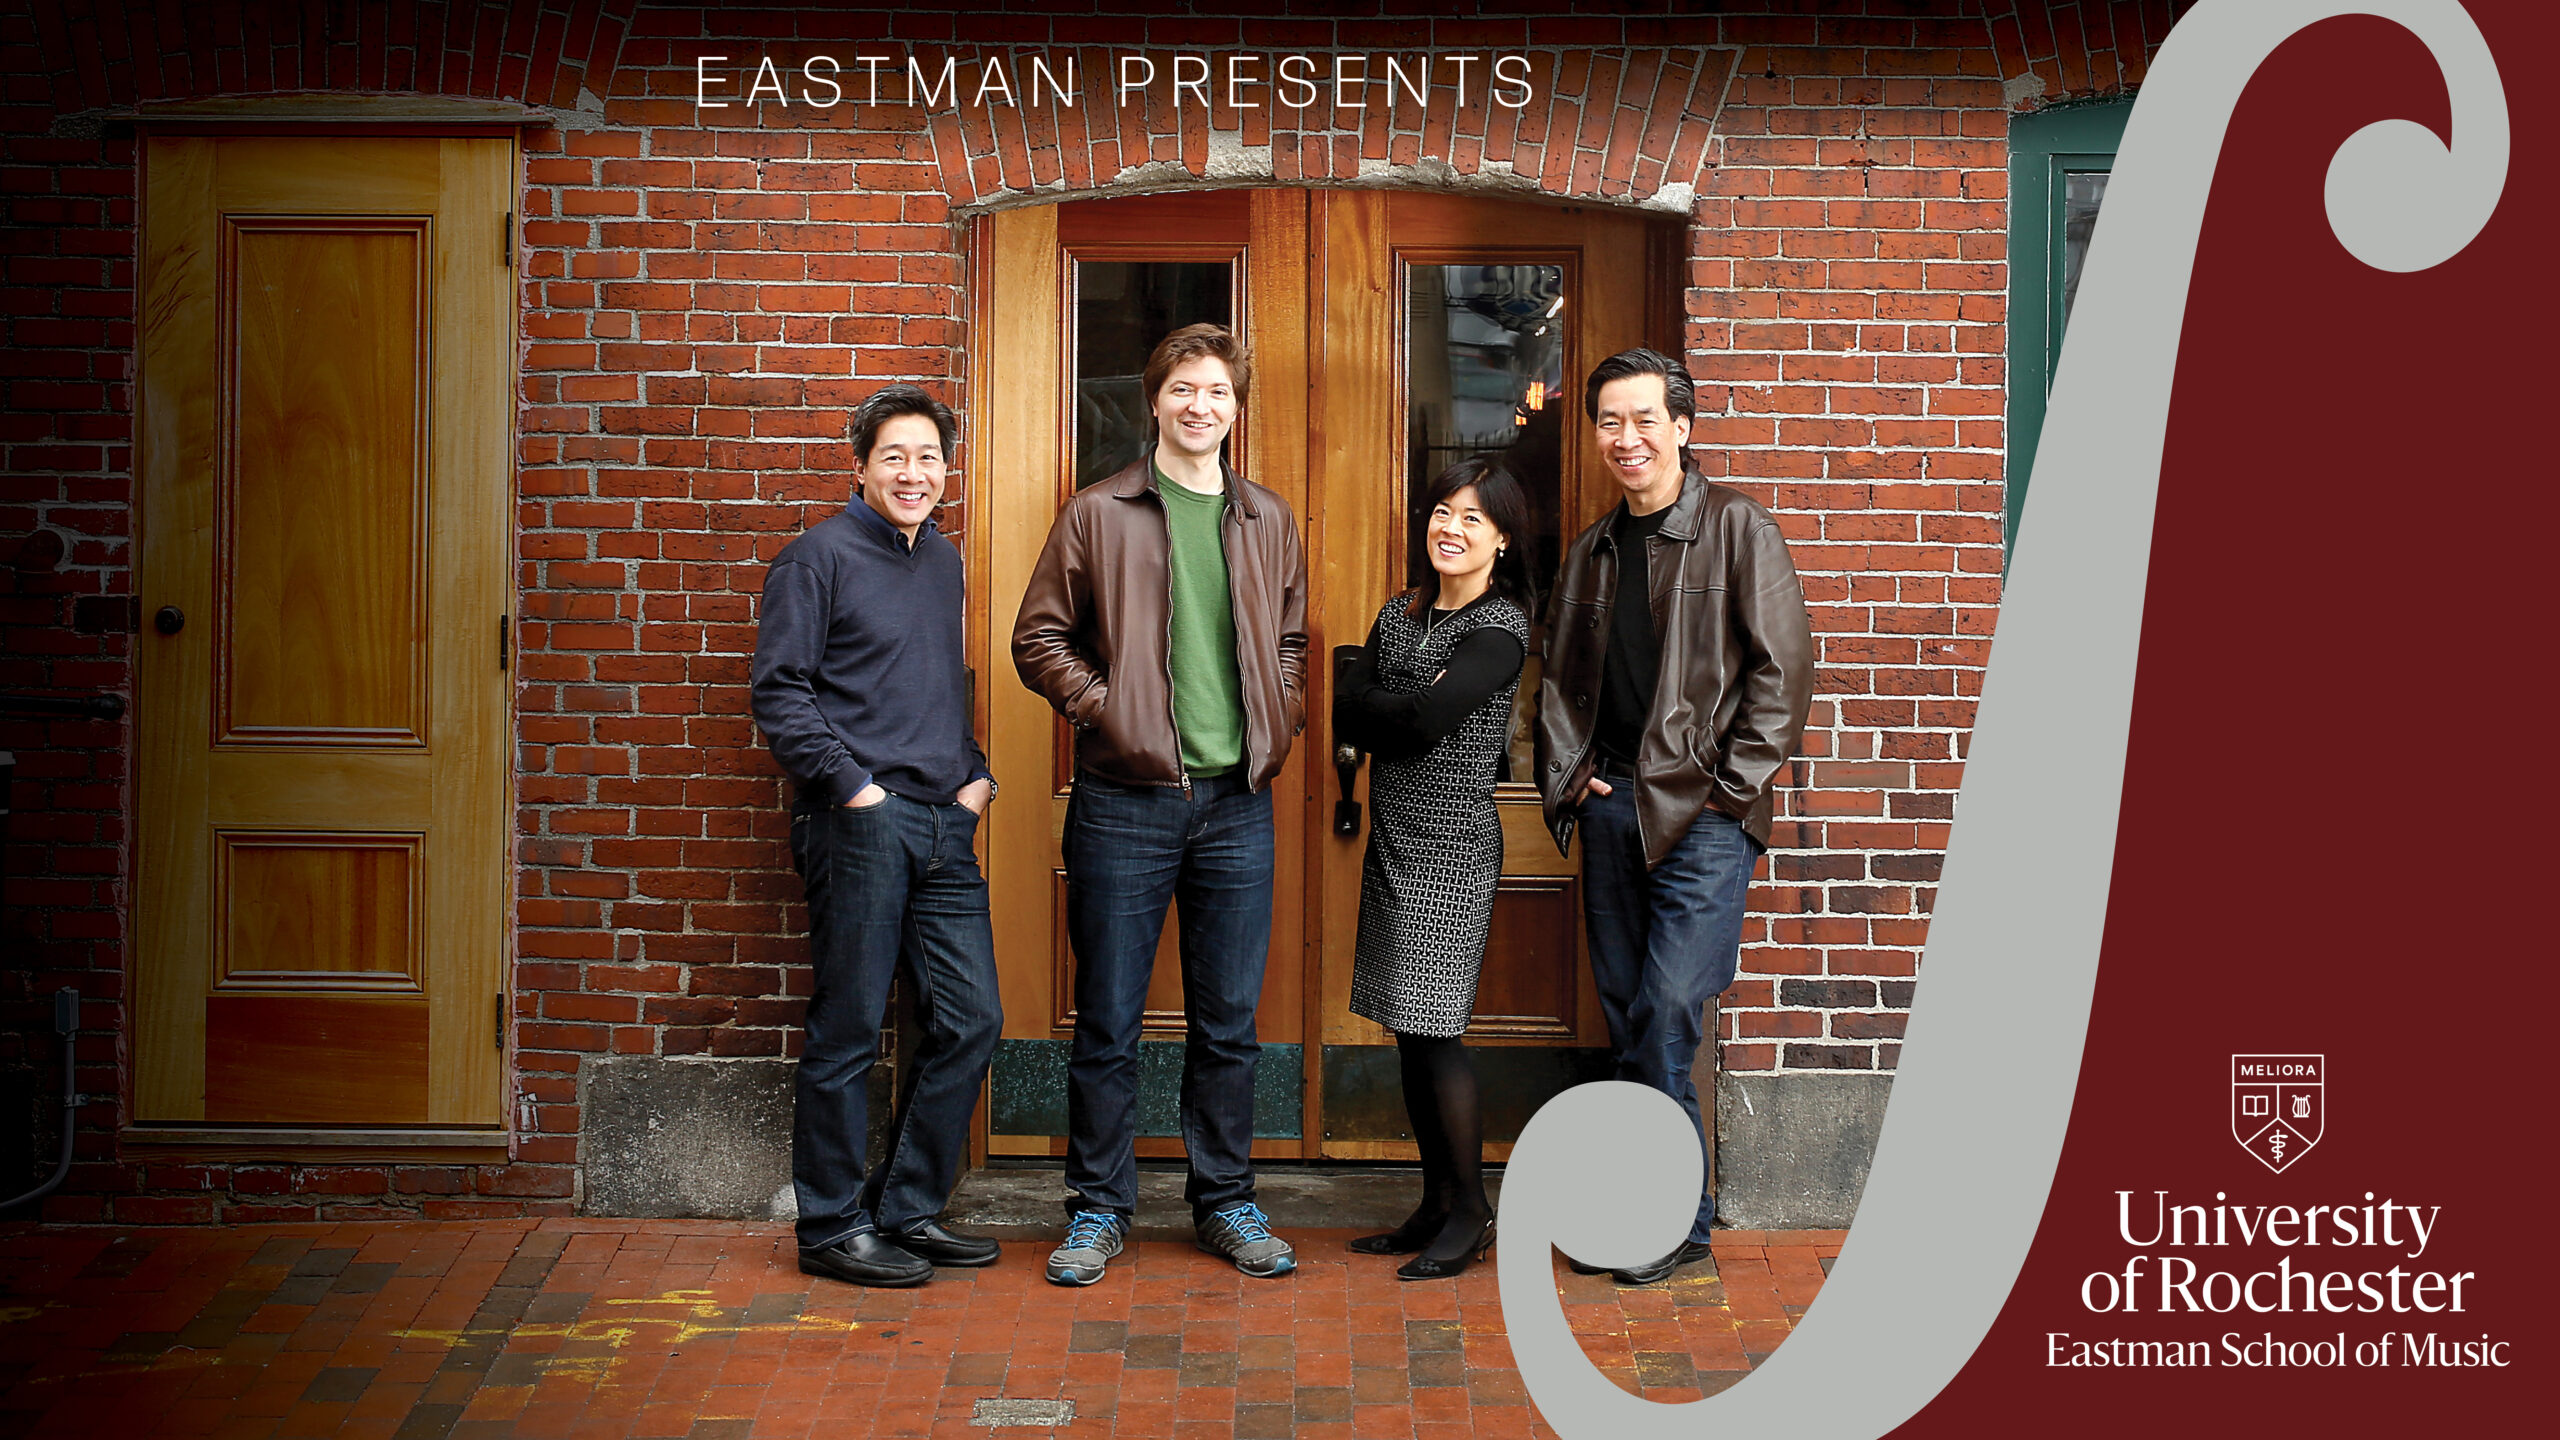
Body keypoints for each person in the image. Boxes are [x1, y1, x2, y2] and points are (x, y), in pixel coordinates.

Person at [1012, 323, 1310, 1285]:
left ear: (1234, 408)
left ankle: (1224, 1200)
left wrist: (1284, 710)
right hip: (1123, 803)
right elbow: (1039, 637)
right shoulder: (1099, 512)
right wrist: (1114, 714)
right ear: (1155, 400)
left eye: (1217, 391)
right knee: (1107, 1020)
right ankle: (1098, 1209)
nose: (1199, 406)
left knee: (1229, 1022)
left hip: (1236, 804)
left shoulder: (1266, 516)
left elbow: (1293, 641)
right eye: (1184, 388)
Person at [1533, 348, 1814, 1284]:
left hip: (1704, 819)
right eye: (1610, 421)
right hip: (1615, 810)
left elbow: (1782, 676)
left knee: (1667, 1007)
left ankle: (1674, 1220)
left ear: (1683, 429)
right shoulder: (1591, 549)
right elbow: (1559, 682)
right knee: (1626, 1014)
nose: (1628, 438)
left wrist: (1729, 796)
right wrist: (1571, 781)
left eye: (1646, 418)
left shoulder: (1737, 528)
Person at [750, 384, 1004, 1289]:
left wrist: (974, 773)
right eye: (894, 456)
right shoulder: (814, 560)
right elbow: (780, 692)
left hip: (944, 820)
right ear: (860, 466)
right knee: (851, 1027)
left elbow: (939, 682)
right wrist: (853, 789)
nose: (913, 473)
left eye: (929, 457)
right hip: (858, 821)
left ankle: (906, 1209)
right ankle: (828, 1224)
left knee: (972, 1020)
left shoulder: (942, 561)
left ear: (947, 471)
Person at [1335, 456, 1531, 1281]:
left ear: (1502, 541)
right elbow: (1354, 701)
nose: (1451, 529)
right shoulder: (1403, 610)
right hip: (1394, 839)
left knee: (1437, 1032)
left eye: (1473, 520)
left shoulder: (1501, 628)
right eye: (1443, 512)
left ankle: (1475, 1212)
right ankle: (1435, 1201)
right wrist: (1371, 697)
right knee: (1408, 1034)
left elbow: (1412, 722)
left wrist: (1370, 695)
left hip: (1451, 850)